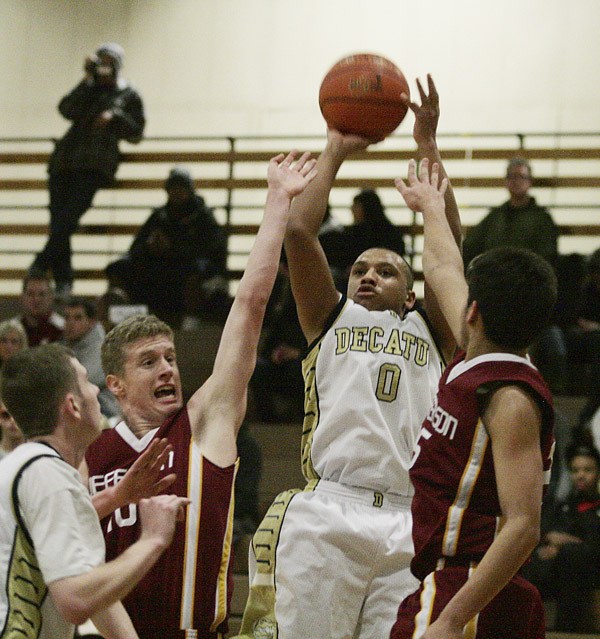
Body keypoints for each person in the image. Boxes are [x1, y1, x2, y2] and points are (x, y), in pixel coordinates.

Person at [235, 76, 460, 639]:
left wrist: (426, 144)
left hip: (409, 519)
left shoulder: (432, 328)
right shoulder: (330, 318)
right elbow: (299, 231)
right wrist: (334, 146)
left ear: (411, 292)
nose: (367, 276)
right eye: (359, 268)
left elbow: (449, 252)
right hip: (332, 508)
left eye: (385, 270)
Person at [82, 151, 317, 639]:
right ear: (116, 386)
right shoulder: (93, 455)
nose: (168, 368)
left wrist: (278, 201)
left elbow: (250, 308)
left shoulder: (204, 422)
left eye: (169, 357)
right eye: (149, 362)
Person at [389, 158, 556, 639]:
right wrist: (429, 200)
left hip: (472, 586)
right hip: (459, 582)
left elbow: (524, 524)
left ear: (474, 311)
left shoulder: (509, 398)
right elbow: (442, 263)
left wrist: (452, 619)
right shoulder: (476, 353)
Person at [0, 343, 189, 639]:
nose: (97, 391)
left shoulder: (22, 468)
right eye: (88, 381)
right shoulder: (49, 476)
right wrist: (153, 539)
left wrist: (116, 496)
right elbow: (76, 599)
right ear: (73, 405)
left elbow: (50, 534)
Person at [30, 42, 145, 297]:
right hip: (64, 163)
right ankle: (63, 280)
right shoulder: (89, 89)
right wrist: (87, 79)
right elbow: (66, 108)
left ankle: (39, 266)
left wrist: (115, 117)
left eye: (108, 62)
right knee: (60, 222)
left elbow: (137, 132)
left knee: (66, 219)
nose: (104, 68)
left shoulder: (128, 94)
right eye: (100, 62)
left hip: (94, 165)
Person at [462, 157, 563, 391]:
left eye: (521, 176)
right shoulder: (495, 217)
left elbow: (547, 261)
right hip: (491, 294)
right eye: (512, 176)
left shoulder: (541, 219)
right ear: (506, 182)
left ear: (530, 181)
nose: (516, 182)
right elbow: (470, 248)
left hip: (527, 296)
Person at [105, 167, 230, 328]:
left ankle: (191, 320)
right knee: (119, 268)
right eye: (173, 188)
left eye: (181, 188)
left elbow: (212, 251)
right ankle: (123, 319)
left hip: (188, 269)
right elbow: (136, 247)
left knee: (194, 273)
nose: (177, 193)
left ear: (189, 191)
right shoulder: (159, 216)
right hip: (160, 268)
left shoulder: (203, 217)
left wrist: (174, 248)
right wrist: (150, 246)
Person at [522, 443, 600, 632]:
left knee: (572, 557)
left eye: (587, 470)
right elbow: (547, 531)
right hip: (556, 566)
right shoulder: (565, 505)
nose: (580, 475)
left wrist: (563, 544)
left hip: (587, 567)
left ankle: (568, 629)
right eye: (575, 470)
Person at [63, 297, 120, 419]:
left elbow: (79, 385)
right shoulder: (64, 346)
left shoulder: (102, 349)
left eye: (78, 318)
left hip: (107, 415)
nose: (70, 323)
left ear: (92, 322)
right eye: (67, 318)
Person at [14, 273, 64, 346]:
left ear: (51, 297)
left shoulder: (63, 329)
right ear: (22, 297)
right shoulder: (12, 330)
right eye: (31, 294)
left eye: (42, 294)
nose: (36, 299)